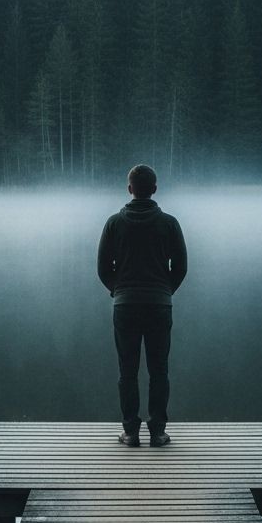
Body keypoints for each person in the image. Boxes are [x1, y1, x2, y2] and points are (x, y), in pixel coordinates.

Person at [97, 164, 187, 448]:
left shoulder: (114, 223)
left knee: (128, 371)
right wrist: (164, 291)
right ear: (155, 189)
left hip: (125, 306)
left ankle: (131, 432)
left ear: (129, 189)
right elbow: (181, 267)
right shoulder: (169, 223)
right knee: (159, 370)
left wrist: (118, 290)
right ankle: (158, 433)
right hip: (159, 305)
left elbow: (102, 268)